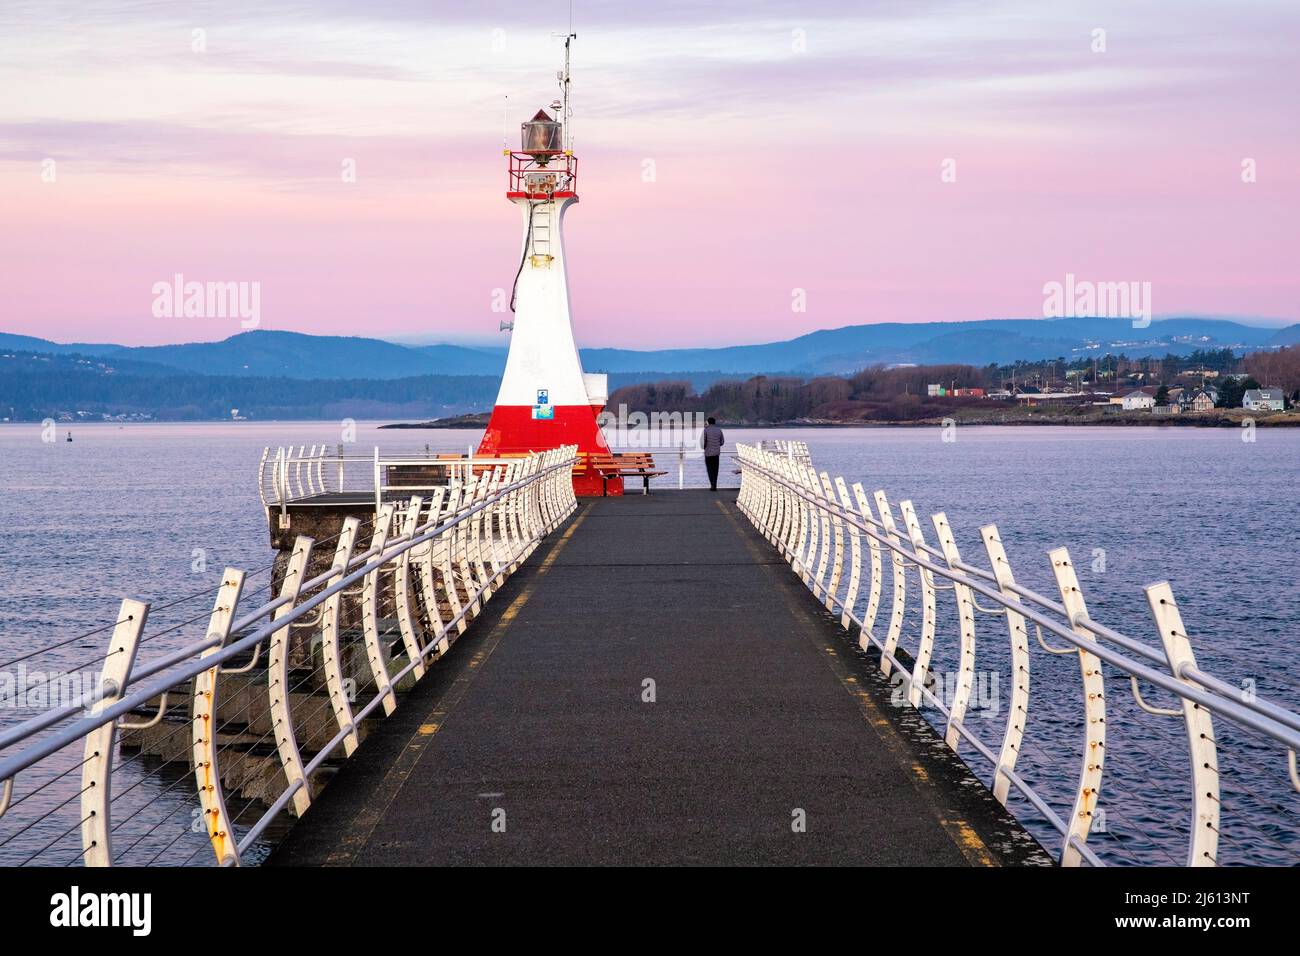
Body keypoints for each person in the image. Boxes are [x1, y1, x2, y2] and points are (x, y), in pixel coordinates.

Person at [700, 417, 725, 490]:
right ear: (714, 422)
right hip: (716, 453)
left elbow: (703, 442)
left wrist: (704, 447)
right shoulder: (719, 430)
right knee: (715, 470)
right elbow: (722, 442)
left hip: (708, 453)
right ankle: (715, 485)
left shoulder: (706, 430)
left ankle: (712, 485)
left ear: (708, 422)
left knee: (709, 469)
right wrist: (717, 445)